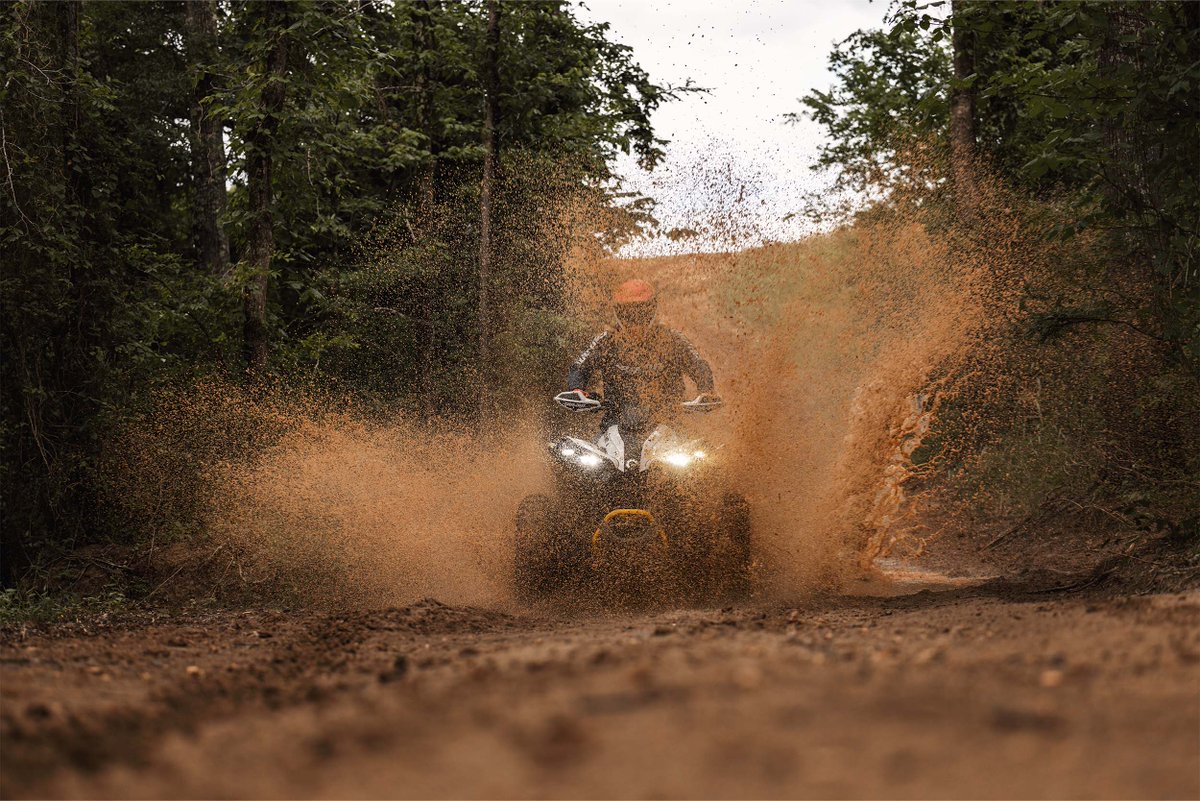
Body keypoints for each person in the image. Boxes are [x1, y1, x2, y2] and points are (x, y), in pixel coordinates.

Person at [565, 279, 717, 428]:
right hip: (614, 425)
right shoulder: (605, 341)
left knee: (703, 452)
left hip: (670, 425)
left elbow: (698, 364)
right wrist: (576, 390)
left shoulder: (672, 339)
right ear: (618, 313)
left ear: (652, 310)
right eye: (628, 313)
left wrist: (706, 390)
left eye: (641, 311)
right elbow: (579, 366)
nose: (635, 319)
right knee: (582, 452)